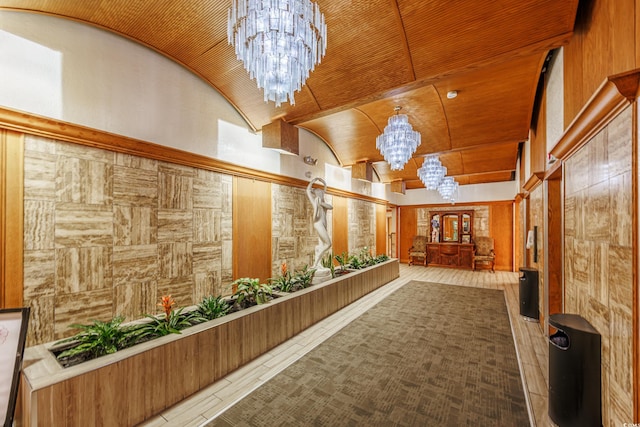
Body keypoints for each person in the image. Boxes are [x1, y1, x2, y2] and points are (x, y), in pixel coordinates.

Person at [306, 177, 333, 268]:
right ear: (317, 194)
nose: (322, 194)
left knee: (322, 244)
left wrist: (322, 181)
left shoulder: (322, 203)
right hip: (318, 224)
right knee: (328, 244)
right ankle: (316, 262)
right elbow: (308, 190)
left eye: (322, 193)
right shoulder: (315, 202)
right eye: (319, 193)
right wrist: (313, 181)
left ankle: (318, 264)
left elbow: (330, 207)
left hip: (324, 224)